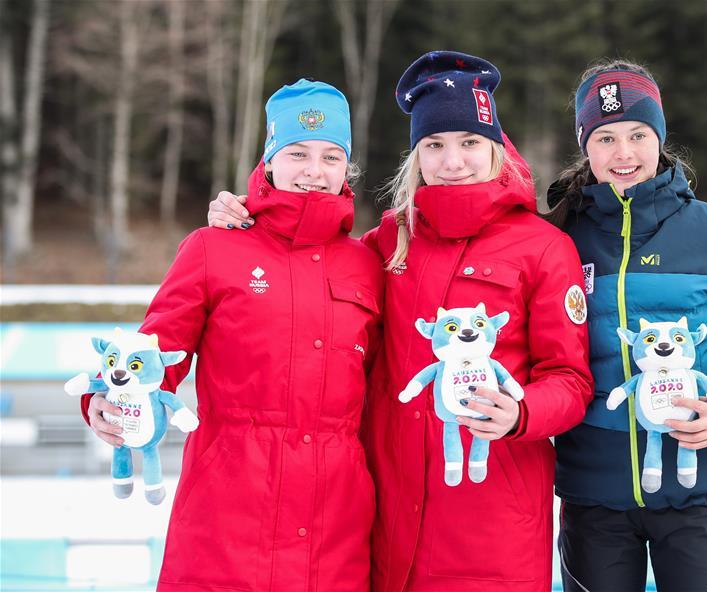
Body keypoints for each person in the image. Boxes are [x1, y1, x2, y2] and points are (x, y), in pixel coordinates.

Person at [208, 51, 593, 592]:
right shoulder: (388, 243)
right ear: (416, 156)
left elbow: (572, 380)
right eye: (433, 145)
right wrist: (250, 217)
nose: (452, 160)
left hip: (489, 517)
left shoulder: (544, 248)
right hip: (387, 517)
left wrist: (522, 410)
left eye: (469, 143)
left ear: (496, 150)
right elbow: (303, 260)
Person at [82, 80, 383, 591]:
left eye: (332, 156)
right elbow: (155, 354)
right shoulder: (212, 248)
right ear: (269, 160)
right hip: (227, 517)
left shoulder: (367, 263)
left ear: (347, 168)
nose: (315, 170)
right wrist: (105, 399)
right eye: (298, 153)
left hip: (334, 525)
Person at [547, 60, 707, 592]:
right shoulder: (557, 238)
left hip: (699, 495)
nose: (624, 154)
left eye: (638, 135)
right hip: (594, 498)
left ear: (660, 138)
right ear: (585, 146)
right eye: (605, 137)